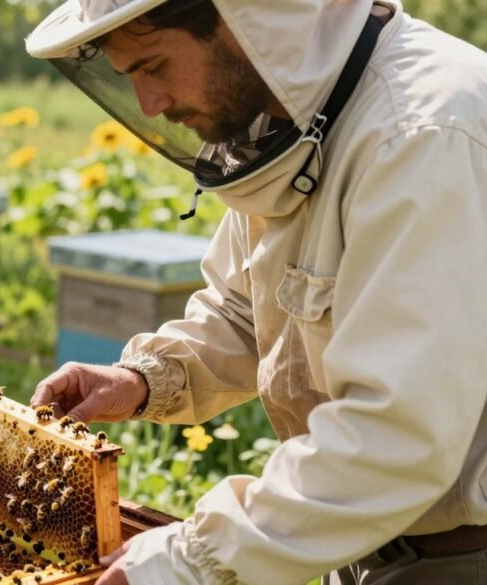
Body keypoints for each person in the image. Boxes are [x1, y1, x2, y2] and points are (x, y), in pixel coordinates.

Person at [25, 1, 487, 583]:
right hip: (351, 535)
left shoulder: (420, 135)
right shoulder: (288, 123)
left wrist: (194, 560)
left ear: (242, 20)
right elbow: (248, 309)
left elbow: (396, 435)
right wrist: (143, 379)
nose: (151, 104)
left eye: (155, 66)